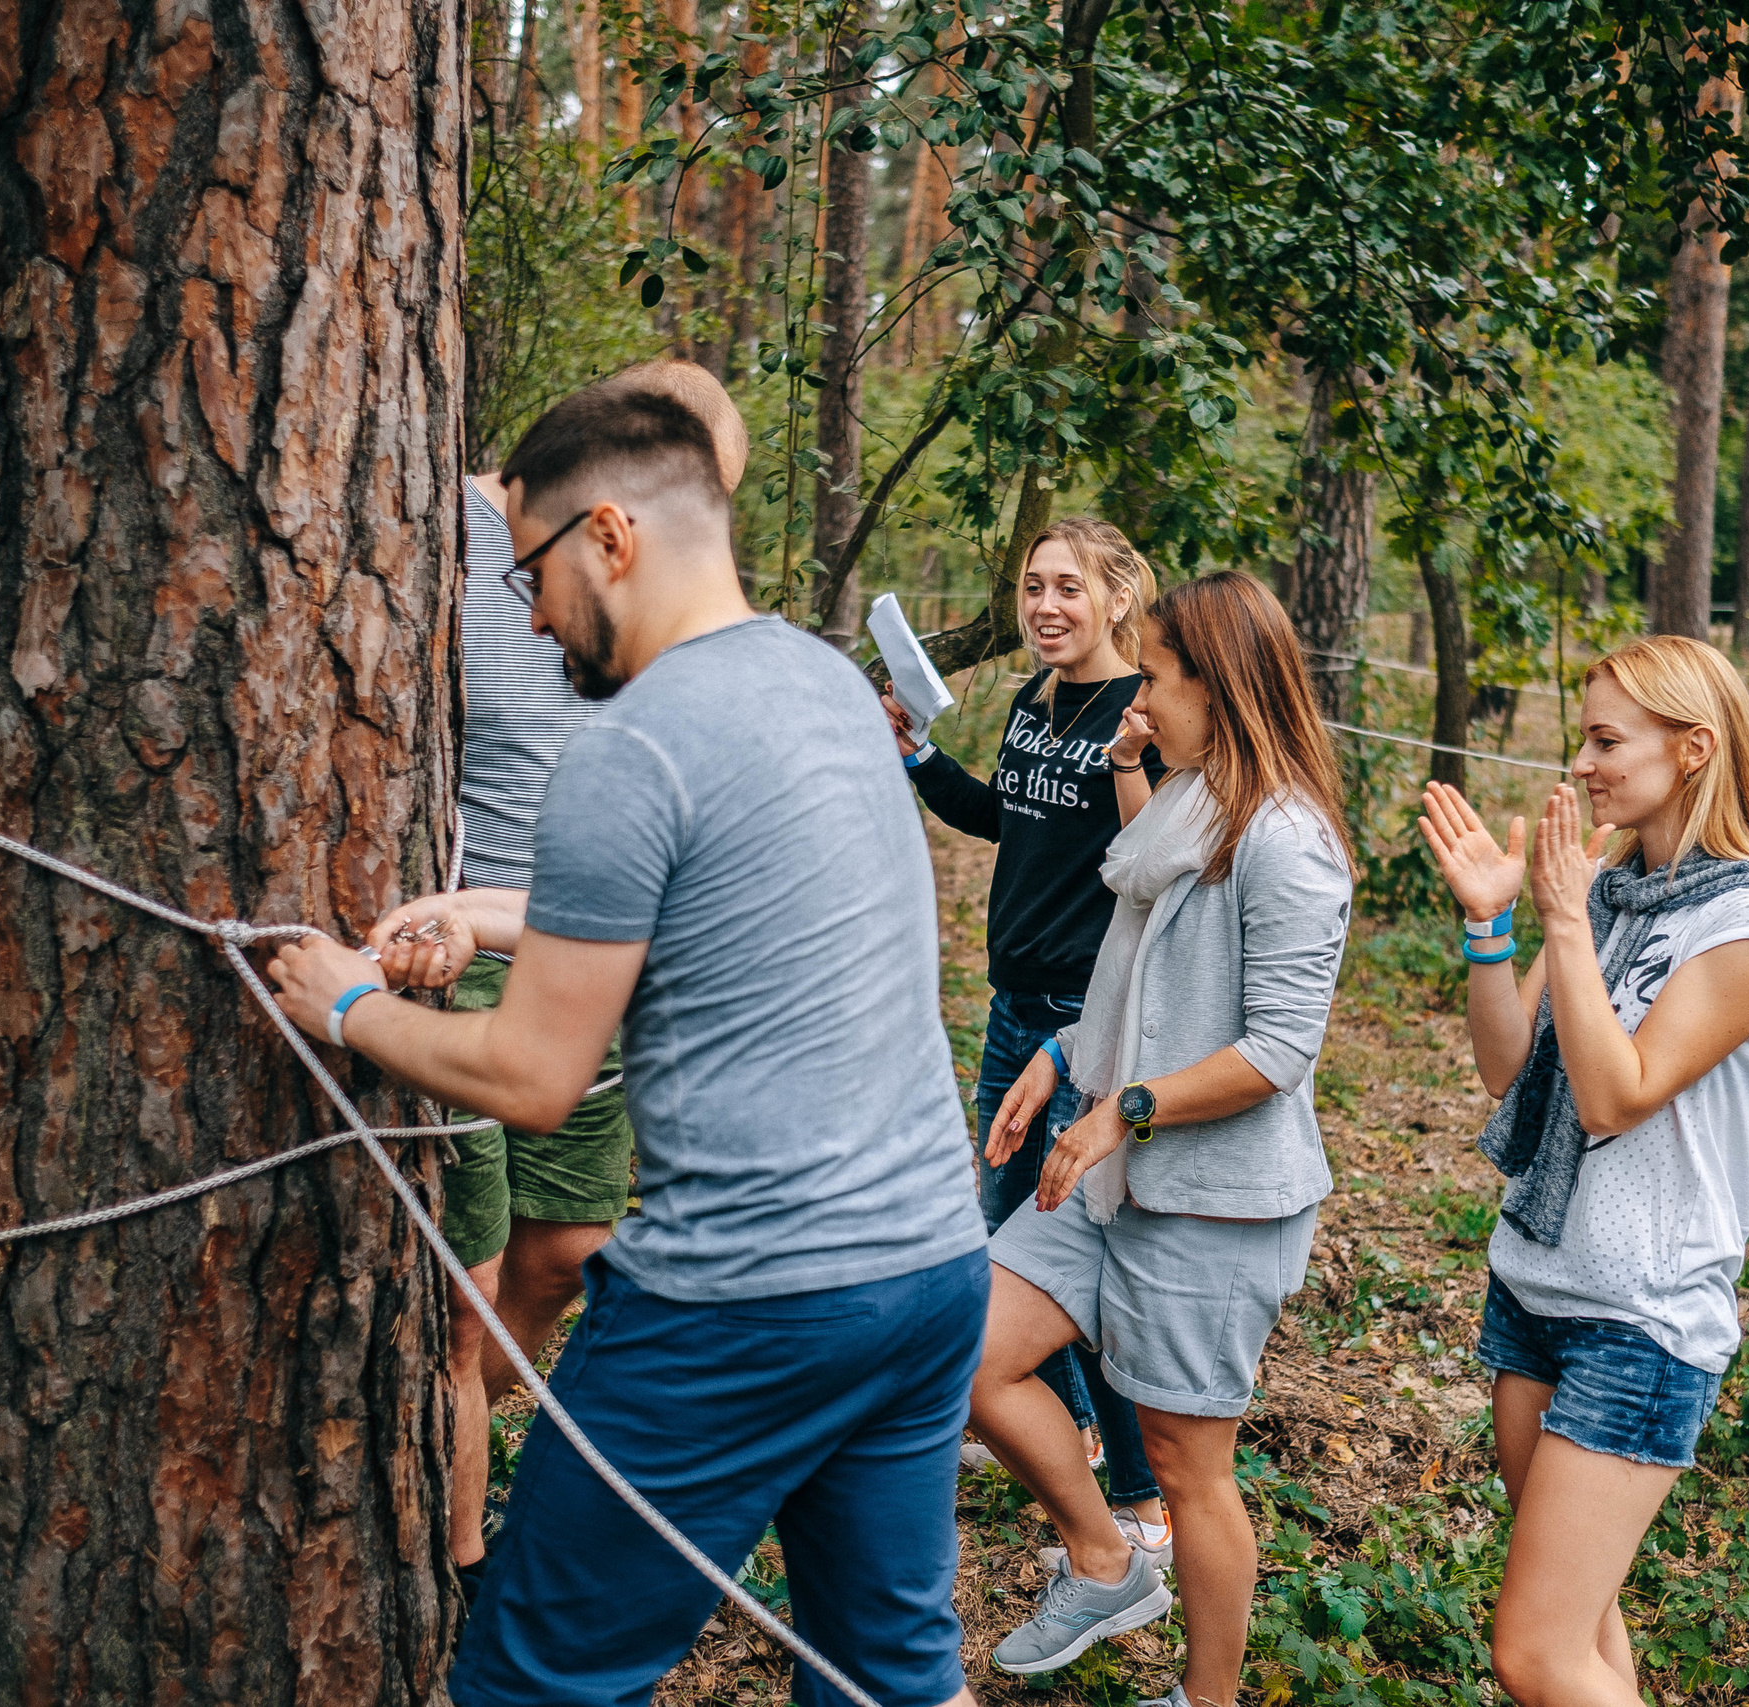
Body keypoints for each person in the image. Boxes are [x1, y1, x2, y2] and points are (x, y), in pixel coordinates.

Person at [264, 382, 988, 1707]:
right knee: (891, 1670)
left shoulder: (631, 743)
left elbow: (536, 1079)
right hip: (932, 1271)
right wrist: (480, 914)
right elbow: (717, 901)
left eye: (532, 569)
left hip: (747, 1302)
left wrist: (347, 1007)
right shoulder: (823, 685)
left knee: (537, 1679)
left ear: (610, 536)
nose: (530, 615)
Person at [1415, 634, 1749, 1707]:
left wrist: (1563, 911)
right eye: (1584, 736)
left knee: (1533, 1656)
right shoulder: (1613, 890)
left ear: (1693, 749)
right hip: (1538, 1289)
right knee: (1583, 1628)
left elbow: (1615, 1094)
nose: (1584, 762)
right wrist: (1490, 926)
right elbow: (1520, 1071)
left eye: (1608, 739)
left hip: (1640, 1324)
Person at [966, 572, 1353, 1707]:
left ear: (1219, 686)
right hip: (1110, 1176)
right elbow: (1142, 990)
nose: (1144, 690)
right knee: (963, 1351)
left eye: (1162, 671)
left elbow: (1276, 1048)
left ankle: (1208, 1697)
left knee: (1190, 1472)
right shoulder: (1187, 801)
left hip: (1212, 1205)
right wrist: (1057, 1061)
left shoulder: (1285, 840)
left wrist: (1120, 1111)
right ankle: (1102, 1559)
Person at [443, 360, 750, 1600]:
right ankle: (457, 1561)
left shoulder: (680, 580)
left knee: (565, 1253)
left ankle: (442, 1444)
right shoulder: (464, 526)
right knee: (455, 1302)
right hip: (458, 948)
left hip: (590, 950)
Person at [881, 517, 1170, 1559]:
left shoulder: (1144, 714)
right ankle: (1063, 1428)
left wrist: (1093, 1040)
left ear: (1116, 598)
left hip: (1081, 1027)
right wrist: (917, 755)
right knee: (1007, 1222)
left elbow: (1159, 869)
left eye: (1068, 588)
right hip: (1013, 1010)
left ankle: (1141, 1503)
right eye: (1033, 586)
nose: (1045, 606)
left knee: (1065, 1254)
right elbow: (1010, 817)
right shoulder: (1033, 699)